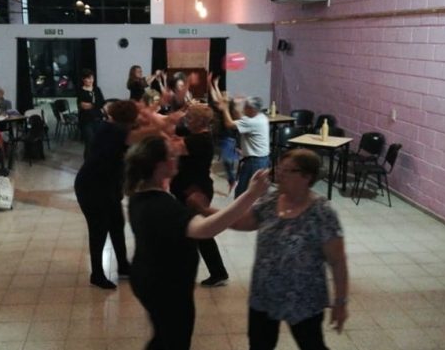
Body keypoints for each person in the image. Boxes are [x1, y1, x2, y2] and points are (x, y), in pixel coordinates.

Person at [125, 135, 270, 350]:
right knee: (174, 340)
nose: (177, 159)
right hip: (166, 287)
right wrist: (251, 194)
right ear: (159, 165)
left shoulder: (139, 194)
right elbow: (207, 229)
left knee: (163, 337)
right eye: (172, 156)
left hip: (149, 277)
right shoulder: (162, 206)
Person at [231, 149, 349, 350]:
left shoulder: (321, 212)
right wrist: (207, 214)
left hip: (303, 298)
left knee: (311, 345)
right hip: (264, 295)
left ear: (306, 177)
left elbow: (338, 261)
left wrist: (340, 302)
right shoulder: (271, 200)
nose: (279, 174)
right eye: (279, 168)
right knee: (259, 346)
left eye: (287, 170)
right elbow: (245, 222)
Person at [74, 100, 138, 289]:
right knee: (99, 230)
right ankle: (97, 274)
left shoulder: (113, 128)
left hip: (107, 184)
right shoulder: (114, 130)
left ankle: (123, 266)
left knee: (117, 224)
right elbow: (140, 137)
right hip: (91, 186)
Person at [169, 105, 229, 287]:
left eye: (190, 117)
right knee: (198, 232)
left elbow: (171, 147)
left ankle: (193, 273)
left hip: (195, 192)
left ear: (199, 121)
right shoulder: (196, 135)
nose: (186, 120)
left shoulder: (200, 140)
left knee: (193, 233)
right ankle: (218, 272)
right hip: (191, 189)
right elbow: (177, 131)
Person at [217, 95, 269, 198]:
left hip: (254, 161)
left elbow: (229, 124)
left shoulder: (252, 122)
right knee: (255, 192)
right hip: (261, 159)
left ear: (252, 109)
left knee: (243, 193)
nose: (243, 109)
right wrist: (235, 105)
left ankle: (239, 213)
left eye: (245, 107)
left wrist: (225, 109)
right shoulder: (260, 116)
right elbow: (240, 118)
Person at [208, 73, 238, 193]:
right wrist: (214, 84)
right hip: (223, 137)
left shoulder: (226, 107)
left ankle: (233, 181)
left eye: (225, 94)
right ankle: (233, 179)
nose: (224, 94)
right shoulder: (224, 106)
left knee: (227, 159)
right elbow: (217, 97)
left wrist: (211, 84)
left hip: (228, 137)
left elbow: (217, 98)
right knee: (228, 159)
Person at [76, 69, 105, 159]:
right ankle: (88, 163)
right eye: (88, 78)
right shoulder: (80, 91)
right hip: (86, 121)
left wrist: (91, 105)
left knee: (98, 142)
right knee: (89, 142)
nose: (90, 80)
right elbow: (82, 106)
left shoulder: (97, 89)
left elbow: (102, 102)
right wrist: (95, 105)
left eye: (91, 78)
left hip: (98, 119)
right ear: (83, 79)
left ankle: (96, 161)